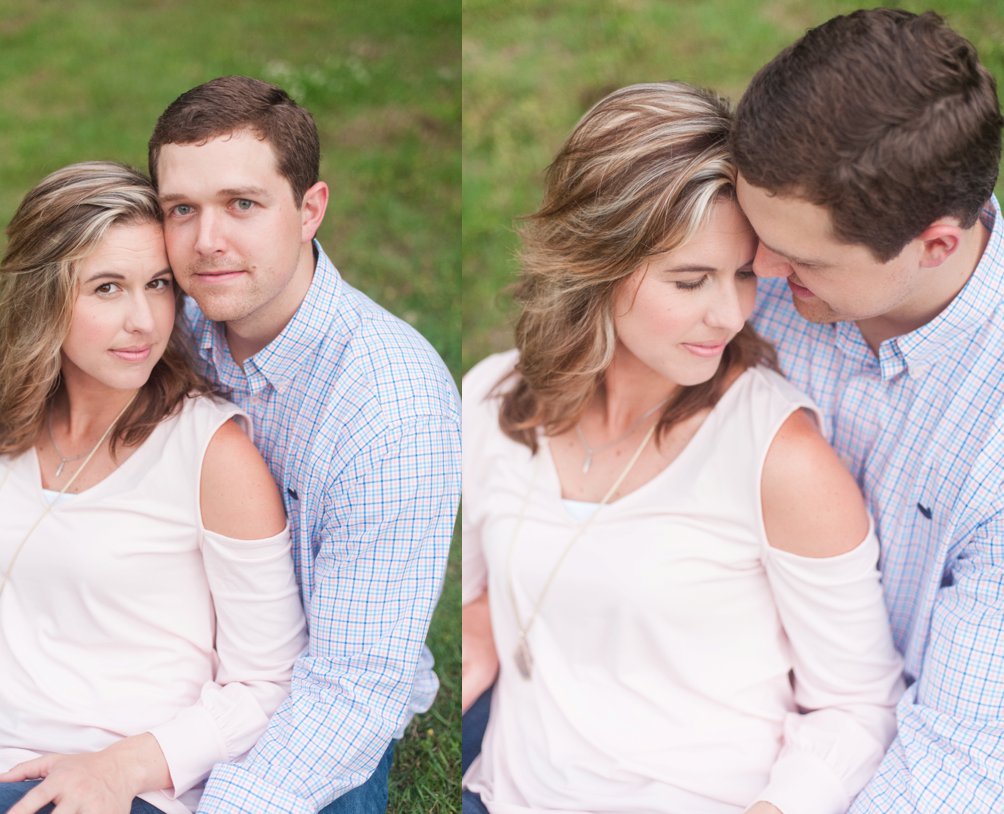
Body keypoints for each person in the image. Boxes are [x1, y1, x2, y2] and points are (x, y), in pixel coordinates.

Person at [461, 82, 905, 814]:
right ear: (596, 264)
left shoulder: (779, 458)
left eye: (741, 276)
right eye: (690, 280)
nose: (728, 314)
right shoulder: (489, 402)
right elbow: (482, 603)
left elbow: (858, 707)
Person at [0, 161, 307, 813]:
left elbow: (269, 683)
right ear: (42, 297)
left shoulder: (212, 455)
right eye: (107, 288)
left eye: (157, 284)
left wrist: (125, 766)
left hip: (122, 789)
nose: (144, 321)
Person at [147, 76, 461, 813]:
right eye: (181, 210)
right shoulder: (164, 326)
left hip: (311, 703)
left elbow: (355, 684)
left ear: (309, 210)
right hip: (171, 656)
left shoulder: (391, 403)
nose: (207, 242)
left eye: (243, 206)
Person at [730, 9, 1004, 812]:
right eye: (756, 230)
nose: (757, 270)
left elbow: (959, 764)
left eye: (803, 259)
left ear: (937, 245)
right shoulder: (761, 271)